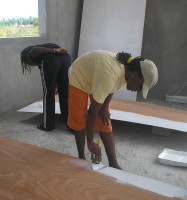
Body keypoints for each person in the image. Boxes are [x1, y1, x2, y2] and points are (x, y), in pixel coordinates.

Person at [67, 50, 158, 169]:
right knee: (79, 119)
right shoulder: (110, 74)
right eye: (140, 86)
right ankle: (81, 157)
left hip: (98, 77)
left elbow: (112, 88)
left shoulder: (126, 72)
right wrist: (90, 142)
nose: (138, 90)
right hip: (79, 75)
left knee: (104, 120)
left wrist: (105, 107)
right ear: (135, 75)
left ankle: (113, 163)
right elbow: (92, 111)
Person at [21, 43, 71, 131]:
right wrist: (55, 85)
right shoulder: (48, 45)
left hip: (51, 60)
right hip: (66, 58)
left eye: (29, 64)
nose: (32, 65)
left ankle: (47, 125)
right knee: (64, 93)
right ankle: (71, 125)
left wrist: (54, 51)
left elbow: (35, 50)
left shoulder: (30, 51)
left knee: (48, 94)